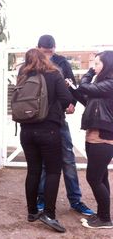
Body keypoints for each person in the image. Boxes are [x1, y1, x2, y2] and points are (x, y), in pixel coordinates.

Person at [36, 35, 94, 216]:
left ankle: (75, 200)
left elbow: (71, 86)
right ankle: (41, 198)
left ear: (54, 48)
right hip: (39, 119)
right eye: (44, 52)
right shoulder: (32, 63)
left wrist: (72, 105)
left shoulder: (62, 63)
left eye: (50, 51)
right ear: (38, 48)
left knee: (68, 159)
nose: (47, 55)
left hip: (58, 118)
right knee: (45, 162)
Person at [17, 48, 72, 233]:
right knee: (53, 172)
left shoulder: (22, 76)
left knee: (33, 171)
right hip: (49, 130)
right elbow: (66, 99)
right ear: (45, 58)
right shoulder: (54, 74)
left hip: (26, 131)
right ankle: (49, 214)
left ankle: (32, 212)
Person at [76, 51, 113, 229]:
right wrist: (71, 89)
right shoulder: (103, 84)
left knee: (93, 178)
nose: (94, 66)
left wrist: (88, 73)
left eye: (97, 64)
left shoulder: (111, 83)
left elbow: (85, 87)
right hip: (95, 136)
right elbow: (88, 99)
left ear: (107, 65)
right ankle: (102, 216)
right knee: (101, 176)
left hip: (103, 138)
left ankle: (105, 219)